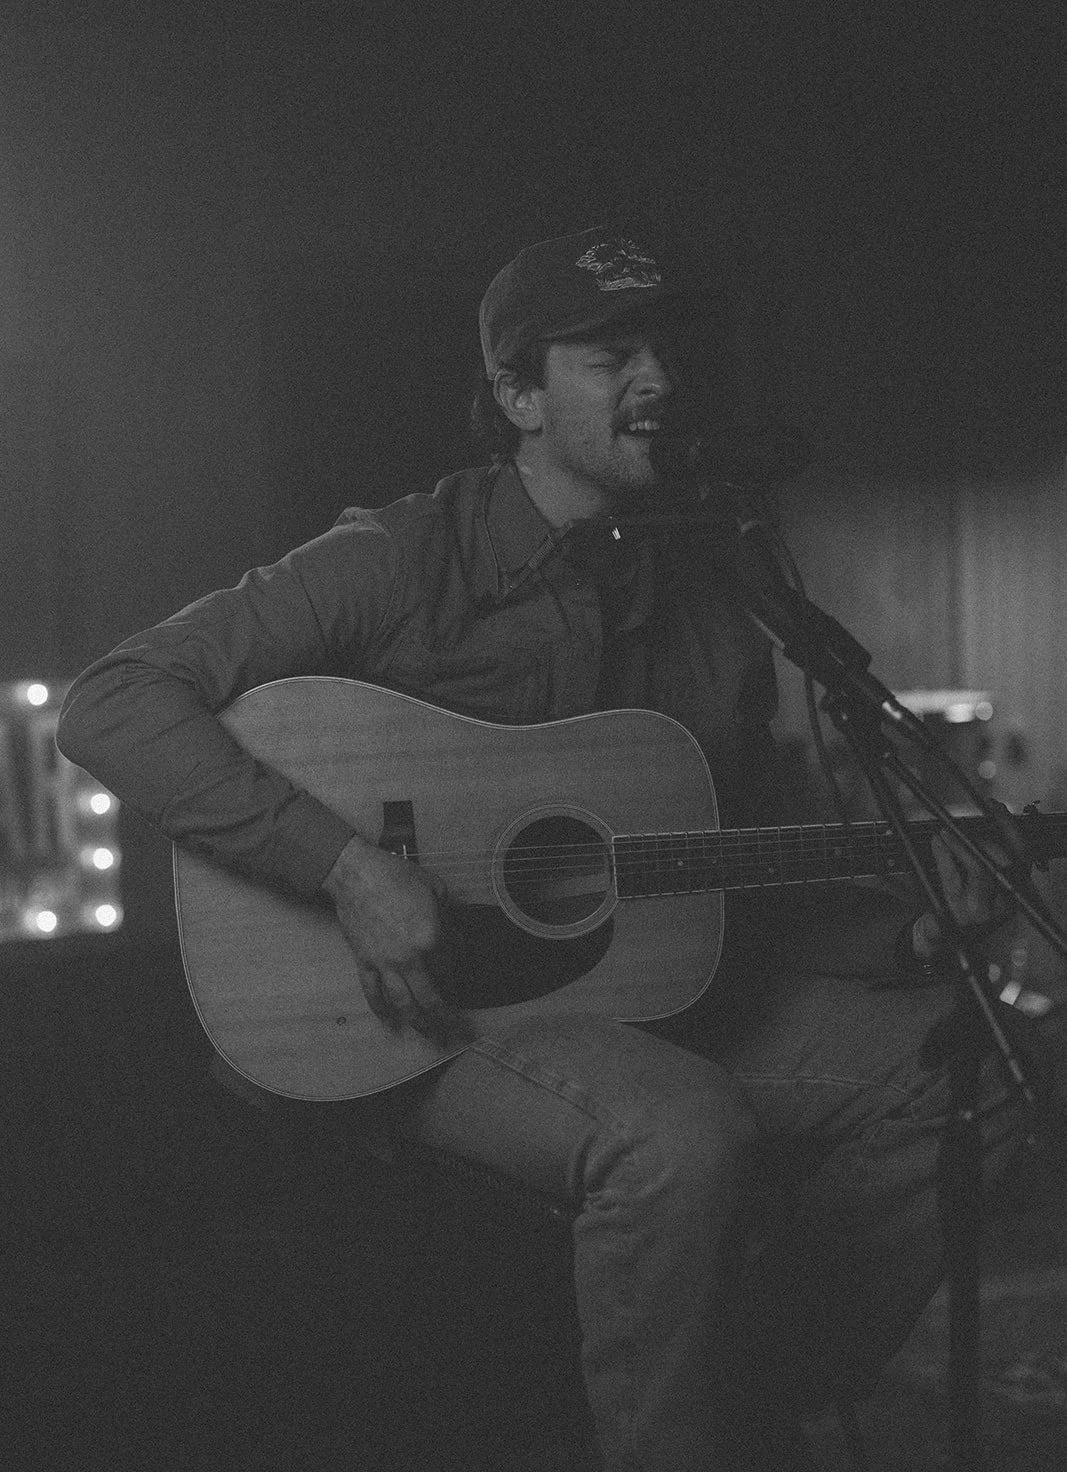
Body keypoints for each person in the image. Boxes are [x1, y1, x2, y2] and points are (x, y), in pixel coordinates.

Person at [57, 226, 1024, 1470]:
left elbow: (716, 875)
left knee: (965, 1068)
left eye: (667, 349)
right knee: (677, 1130)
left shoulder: (711, 592)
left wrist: (906, 921)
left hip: (638, 994)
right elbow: (113, 701)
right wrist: (346, 869)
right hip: (417, 1015)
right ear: (515, 395)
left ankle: (742, 1395)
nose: (660, 380)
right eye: (612, 351)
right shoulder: (398, 557)